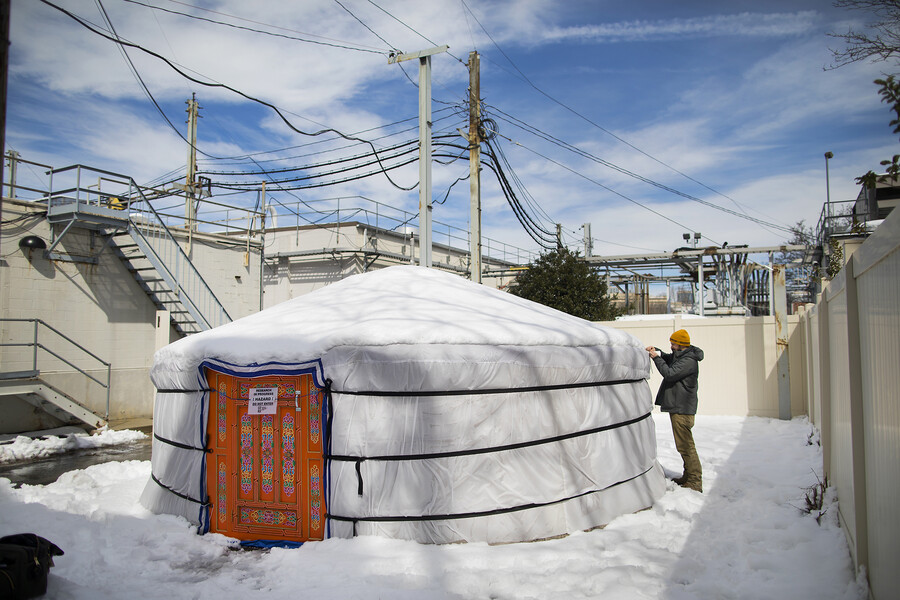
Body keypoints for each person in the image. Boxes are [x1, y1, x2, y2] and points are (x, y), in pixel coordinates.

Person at [646, 329, 704, 492]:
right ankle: (688, 476)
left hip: (682, 409)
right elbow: (670, 358)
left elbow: (669, 373)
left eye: (673, 343)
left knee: (686, 446)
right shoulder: (683, 355)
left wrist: (656, 358)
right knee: (683, 445)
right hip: (679, 407)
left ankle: (694, 480)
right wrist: (658, 351)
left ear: (680, 344)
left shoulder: (688, 361)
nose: (671, 346)